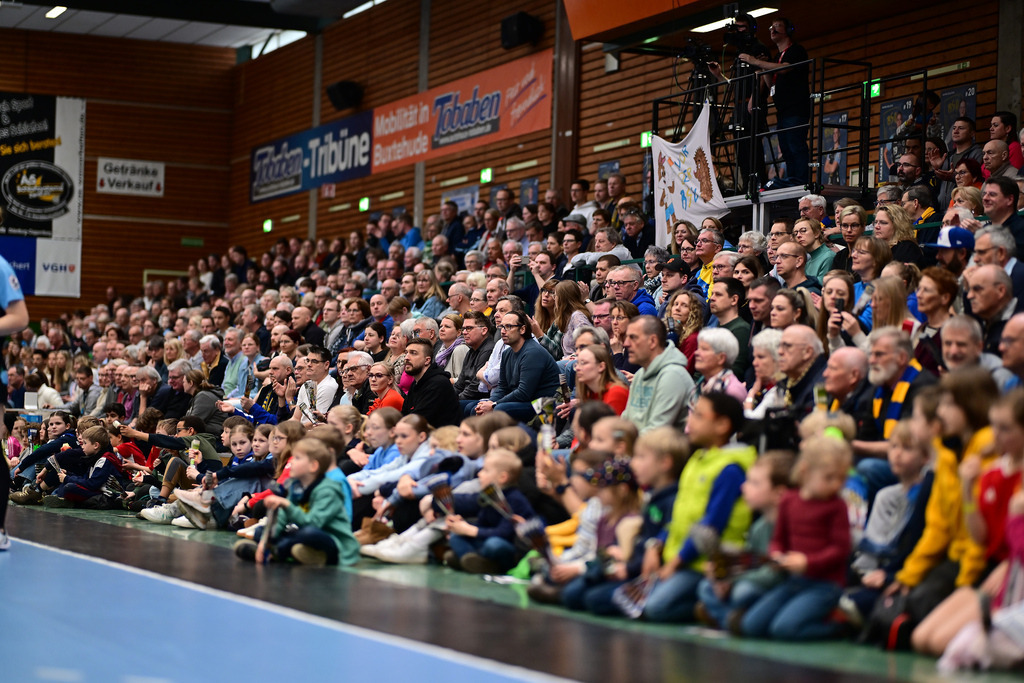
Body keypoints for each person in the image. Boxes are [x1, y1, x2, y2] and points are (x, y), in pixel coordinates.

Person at [641, 392, 756, 622]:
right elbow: (678, 515)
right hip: (682, 557)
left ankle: (709, 607)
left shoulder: (730, 469)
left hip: (705, 563)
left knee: (655, 609)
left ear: (722, 424)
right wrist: (657, 545)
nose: (689, 421)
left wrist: (674, 564)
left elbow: (711, 525)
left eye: (699, 416)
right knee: (636, 602)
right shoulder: (697, 460)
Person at [739, 434, 851, 640]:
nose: (836, 485)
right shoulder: (789, 501)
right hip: (794, 581)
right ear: (805, 472)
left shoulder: (836, 506)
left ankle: (840, 625)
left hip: (824, 585)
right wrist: (777, 554)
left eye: (841, 479)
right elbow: (778, 539)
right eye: (829, 478)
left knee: (784, 629)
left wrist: (808, 562)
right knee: (750, 625)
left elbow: (841, 549)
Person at [696, 450, 793, 631]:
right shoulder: (759, 527)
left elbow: (774, 575)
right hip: (751, 581)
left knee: (743, 593)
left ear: (779, 494)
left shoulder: (790, 527)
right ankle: (732, 619)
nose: (743, 487)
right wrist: (722, 572)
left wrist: (733, 578)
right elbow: (748, 561)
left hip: (775, 587)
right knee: (705, 586)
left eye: (754, 483)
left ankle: (728, 618)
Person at [234, 437, 359, 566]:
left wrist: (287, 505)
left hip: (333, 541)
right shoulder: (295, 485)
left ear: (313, 466)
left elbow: (314, 522)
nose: (291, 462)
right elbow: (282, 516)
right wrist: (265, 540)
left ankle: (279, 552)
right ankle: (292, 553)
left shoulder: (328, 489)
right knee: (263, 531)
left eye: (297, 458)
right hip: (303, 532)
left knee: (308, 533)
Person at [436, 447, 536, 574]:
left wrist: (470, 530)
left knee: (494, 545)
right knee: (456, 537)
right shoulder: (489, 495)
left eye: (485, 470)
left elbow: (504, 533)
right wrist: (462, 525)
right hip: (488, 539)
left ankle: (479, 562)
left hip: (509, 546)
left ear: (502, 477)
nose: (479, 474)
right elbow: (482, 524)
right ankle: (477, 562)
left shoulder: (514, 499)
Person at [744, 17, 810, 185]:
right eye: (771, 27)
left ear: (788, 30)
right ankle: (792, 180)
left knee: (796, 145)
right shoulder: (776, 56)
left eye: (777, 27)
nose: (773, 30)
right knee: (786, 148)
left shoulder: (796, 50)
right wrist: (763, 68)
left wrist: (756, 61)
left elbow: (786, 68)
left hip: (796, 108)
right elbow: (771, 83)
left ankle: (801, 180)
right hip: (782, 110)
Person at [473, 311, 559, 421]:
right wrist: (490, 402)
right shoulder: (506, 353)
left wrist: (494, 404)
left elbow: (524, 393)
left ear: (522, 329)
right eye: (502, 327)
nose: (503, 331)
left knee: (500, 409)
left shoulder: (533, 352)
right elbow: (502, 387)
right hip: (526, 402)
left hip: (545, 405)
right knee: (476, 408)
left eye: (508, 327)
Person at [622, 316, 693, 433]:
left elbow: (657, 432)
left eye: (633, 338)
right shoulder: (640, 374)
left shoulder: (673, 376)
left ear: (653, 341)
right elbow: (626, 419)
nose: (626, 343)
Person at [401, 338, 461, 427]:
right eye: (406, 353)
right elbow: (404, 413)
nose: (406, 357)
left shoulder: (438, 383)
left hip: (442, 437)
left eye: (413, 353)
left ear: (427, 360)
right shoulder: (416, 383)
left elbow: (419, 419)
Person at [709, 278, 751, 377]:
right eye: (712, 294)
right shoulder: (717, 328)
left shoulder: (741, 330)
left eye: (718, 294)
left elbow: (735, 371)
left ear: (734, 300)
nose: (712, 298)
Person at [574, 344, 629, 415]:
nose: (578, 368)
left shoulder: (617, 393)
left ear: (601, 366)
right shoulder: (589, 394)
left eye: (583, 363)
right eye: (577, 364)